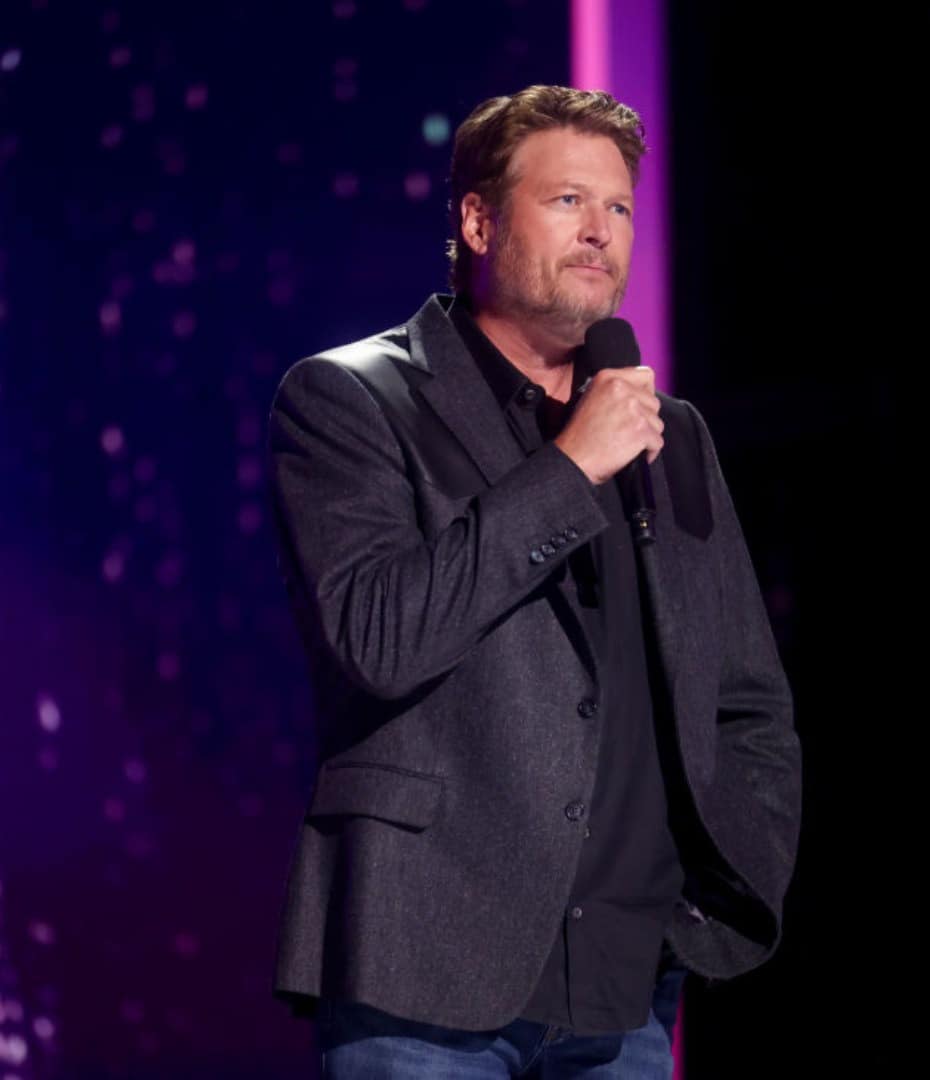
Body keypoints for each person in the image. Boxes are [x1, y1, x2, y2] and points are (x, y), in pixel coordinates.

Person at [267, 85, 801, 1079]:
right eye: (567, 201)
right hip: (423, 981)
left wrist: (725, 875)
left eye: (620, 207)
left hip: (626, 987)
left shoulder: (669, 433)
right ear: (478, 222)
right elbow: (378, 638)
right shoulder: (350, 398)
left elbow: (743, 693)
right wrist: (568, 469)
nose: (601, 231)